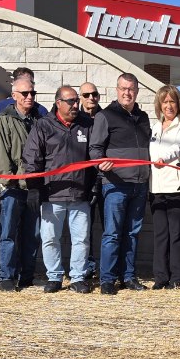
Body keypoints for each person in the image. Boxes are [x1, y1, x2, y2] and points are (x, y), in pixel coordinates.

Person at [24, 86, 96, 294]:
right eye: (71, 101)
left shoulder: (86, 124)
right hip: (51, 194)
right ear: (58, 103)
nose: (75, 105)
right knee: (49, 238)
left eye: (76, 101)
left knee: (81, 239)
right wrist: (34, 188)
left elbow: (95, 157)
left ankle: (78, 277)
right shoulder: (43, 125)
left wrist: (94, 186)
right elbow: (32, 158)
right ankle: (54, 277)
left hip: (80, 194)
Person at [90, 73, 152, 295]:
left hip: (140, 184)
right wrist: (100, 164)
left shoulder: (143, 117)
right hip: (115, 184)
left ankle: (128, 277)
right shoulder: (105, 116)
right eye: (123, 88)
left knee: (132, 233)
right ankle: (107, 280)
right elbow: (95, 149)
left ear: (137, 91)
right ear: (116, 90)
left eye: (132, 89)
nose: (127, 92)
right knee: (112, 234)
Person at [0, 72, 42, 290]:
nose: (29, 97)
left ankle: (27, 275)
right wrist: (7, 179)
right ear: (14, 95)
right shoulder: (4, 120)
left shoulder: (39, 120)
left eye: (32, 92)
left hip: (33, 188)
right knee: (8, 234)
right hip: (12, 188)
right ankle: (7, 277)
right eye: (25, 93)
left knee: (32, 234)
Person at [149, 85, 180, 289]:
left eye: (172, 101)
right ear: (159, 105)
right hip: (157, 187)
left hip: (178, 187)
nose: (168, 106)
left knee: (177, 233)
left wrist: (163, 158)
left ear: (179, 103)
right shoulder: (156, 126)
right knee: (160, 234)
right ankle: (160, 276)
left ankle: (177, 276)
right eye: (164, 102)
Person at [79, 81, 103, 281]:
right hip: (83, 181)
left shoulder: (106, 117)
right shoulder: (75, 118)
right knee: (85, 228)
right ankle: (88, 266)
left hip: (106, 178)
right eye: (86, 95)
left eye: (94, 94)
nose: (90, 98)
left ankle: (108, 267)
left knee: (109, 227)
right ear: (80, 98)